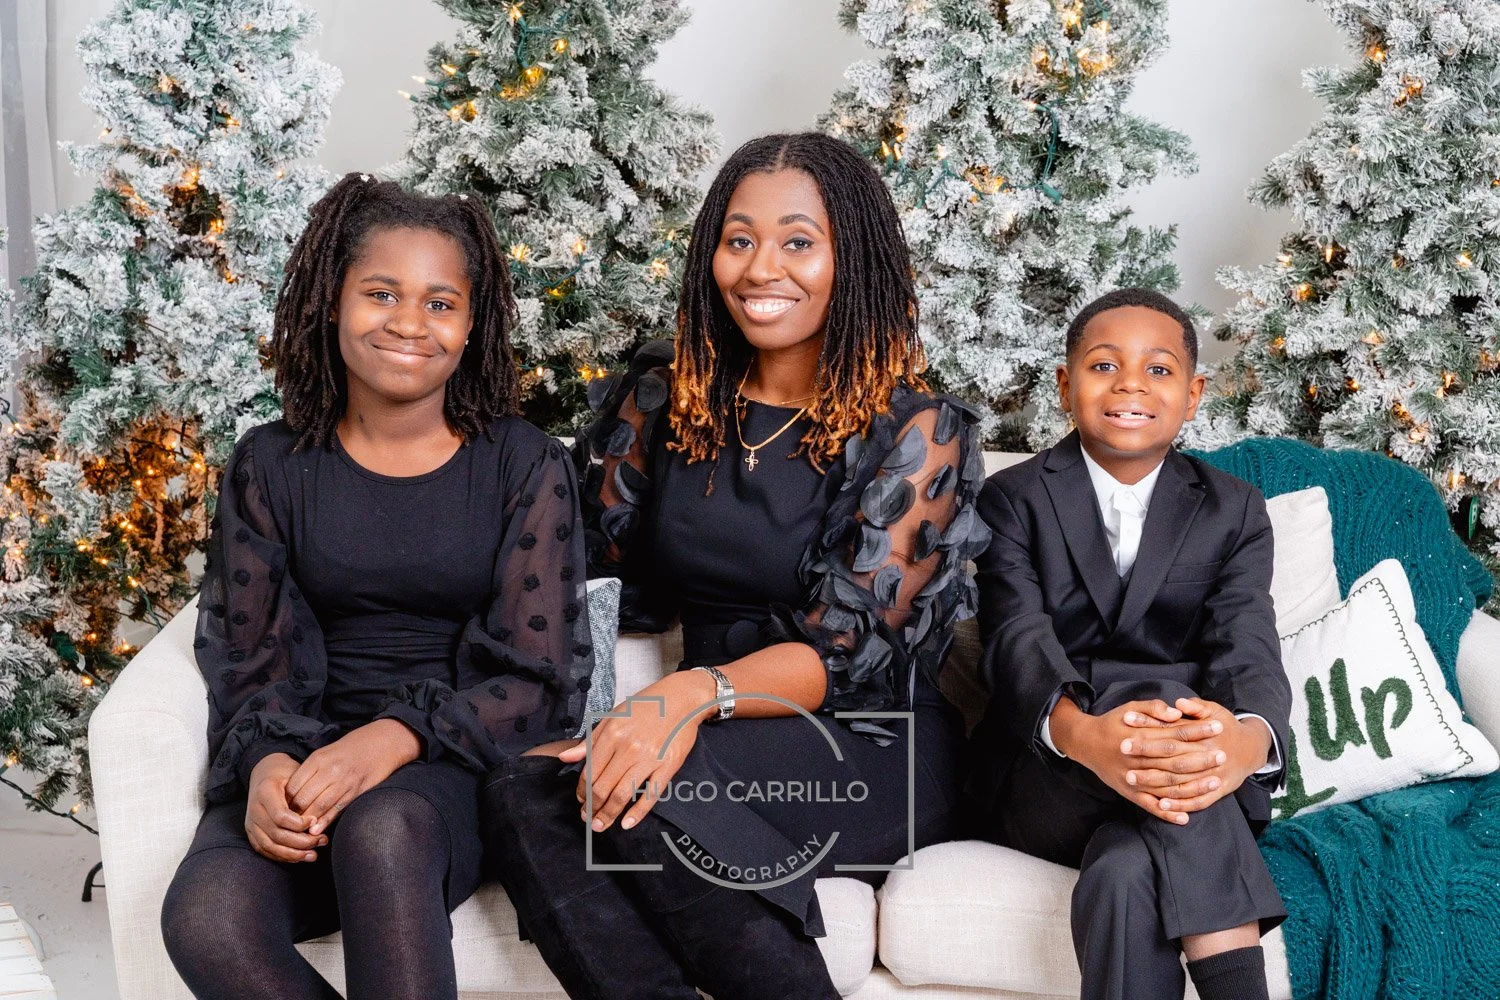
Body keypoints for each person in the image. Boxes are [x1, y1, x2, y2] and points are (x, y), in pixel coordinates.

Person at [482, 132, 992, 1000]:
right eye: (739, 239)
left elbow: (845, 655)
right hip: (712, 733)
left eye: (798, 241)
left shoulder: (918, 429)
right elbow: (585, 572)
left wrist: (685, 696)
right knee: (524, 788)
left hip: (873, 743)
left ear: (852, 260)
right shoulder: (665, 396)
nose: (762, 268)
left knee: (647, 783)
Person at [159, 174, 593, 1000]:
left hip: (452, 766)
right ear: (333, 302)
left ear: (473, 324)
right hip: (309, 756)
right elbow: (246, 657)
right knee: (209, 916)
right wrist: (268, 765)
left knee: (382, 828)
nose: (408, 323)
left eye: (440, 303)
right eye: (382, 293)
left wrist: (389, 740)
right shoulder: (269, 463)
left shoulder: (526, 464)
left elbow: (539, 680)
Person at [965, 288, 1291, 1000]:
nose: (1131, 386)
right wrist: (1083, 735)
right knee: (1164, 697)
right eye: (1105, 366)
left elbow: (1247, 642)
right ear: (1065, 385)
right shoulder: (1011, 497)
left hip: (1191, 774)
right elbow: (1015, 639)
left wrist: (1246, 741)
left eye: (1159, 369)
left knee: (1124, 872)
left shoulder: (1234, 508)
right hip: (1053, 773)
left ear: (1193, 394)